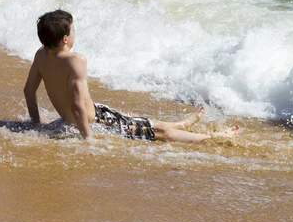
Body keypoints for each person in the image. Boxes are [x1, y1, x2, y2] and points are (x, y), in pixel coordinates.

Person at [23, 9, 240, 142]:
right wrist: (87, 138)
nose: (74, 34)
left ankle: (182, 124)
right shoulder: (75, 60)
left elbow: (29, 90)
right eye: (72, 30)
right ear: (64, 39)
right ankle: (215, 138)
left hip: (97, 114)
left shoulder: (41, 55)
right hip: (96, 122)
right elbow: (78, 105)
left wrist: (36, 123)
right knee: (160, 133)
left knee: (141, 122)